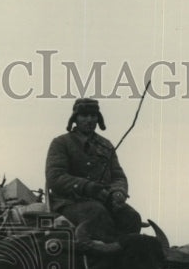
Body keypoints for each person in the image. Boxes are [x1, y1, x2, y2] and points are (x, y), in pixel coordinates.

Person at [45, 98, 142, 250]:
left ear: (98, 119)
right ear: (75, 118)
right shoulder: (61, 143)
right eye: (84, 115)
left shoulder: (106, 145)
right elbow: (55, 177)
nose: (89, 120)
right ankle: (107, 253)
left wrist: (118, 192)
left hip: (104, 201)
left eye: (93, 115)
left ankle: (126, 253)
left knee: (132, 217)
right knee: (97, 213)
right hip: (70, 202)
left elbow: (118, 176)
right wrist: (87, 186)